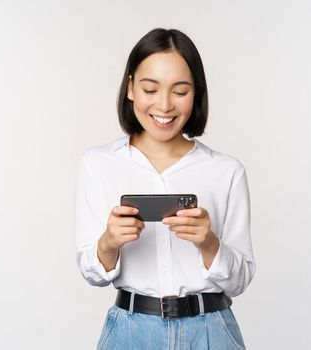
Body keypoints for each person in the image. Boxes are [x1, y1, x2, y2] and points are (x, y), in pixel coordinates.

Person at [75, 28, 255, 349]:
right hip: (130, 332)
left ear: (196, 93)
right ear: (131, 88)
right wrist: (109, 242)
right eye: (150, 88)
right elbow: (92, 272)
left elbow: (240, 280)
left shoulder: (226, 171)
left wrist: (209, 242)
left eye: (180, 91)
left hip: (211, 331)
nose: (165, 104)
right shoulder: (98, 164)